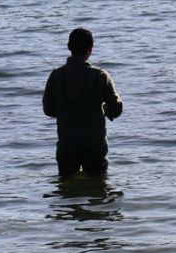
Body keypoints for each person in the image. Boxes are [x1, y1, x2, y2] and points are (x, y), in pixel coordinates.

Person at [43, 28, 123, 176]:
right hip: (94, 147)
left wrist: (66, 110)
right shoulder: (100, 76)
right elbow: (116, 110)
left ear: (68, 47)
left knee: (66, 191)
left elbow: (48, 110)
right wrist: (105, 109)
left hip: (67, 146)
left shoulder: (56, 76)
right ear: (91, 48)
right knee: (98, 190)